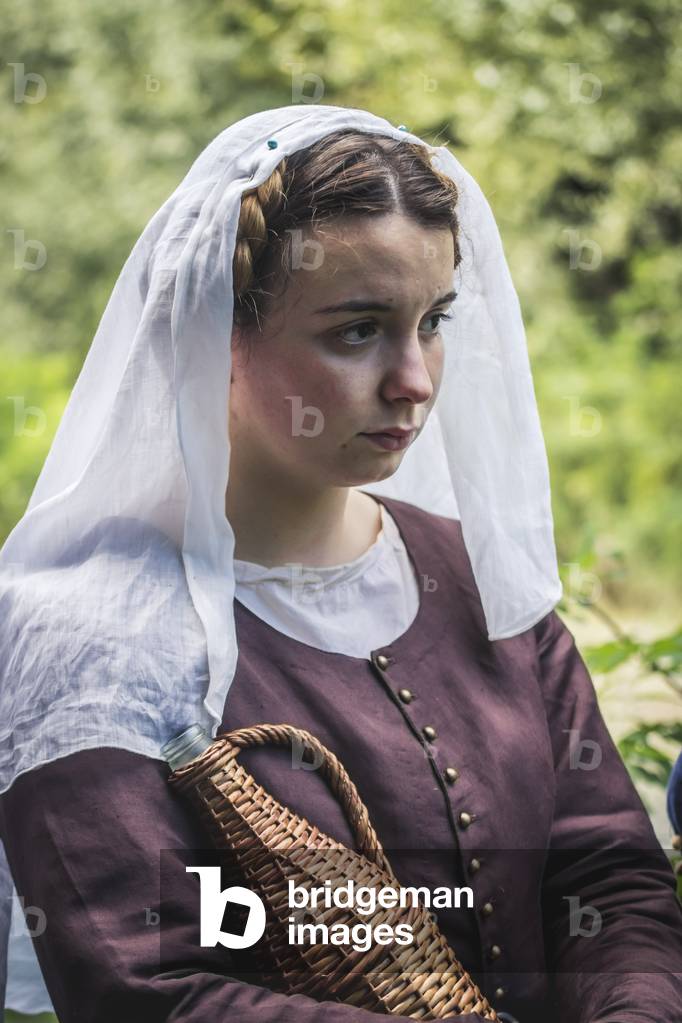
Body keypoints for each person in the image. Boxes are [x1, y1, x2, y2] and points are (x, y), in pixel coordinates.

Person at [0, 105, 680, 1023]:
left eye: (432, 322)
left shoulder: (469, 574)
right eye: (358, 330)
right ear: (217, 334)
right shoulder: (93, 636)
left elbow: (605, 872)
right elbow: (149, 988)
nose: (415, 381)